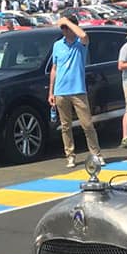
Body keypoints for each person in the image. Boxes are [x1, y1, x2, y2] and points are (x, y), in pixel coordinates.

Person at [49, 14, 102, 169]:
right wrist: (51, 91)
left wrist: (67, 21)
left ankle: (96, 154)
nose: (65, 31)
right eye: (63, 28)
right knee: (66, 126)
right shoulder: (57, 45)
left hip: (78, 90)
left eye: (67, 28)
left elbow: (84, 35)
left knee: (87, 124)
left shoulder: (80, 43)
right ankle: (70, 155)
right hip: (61, 90)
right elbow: (54, 68)